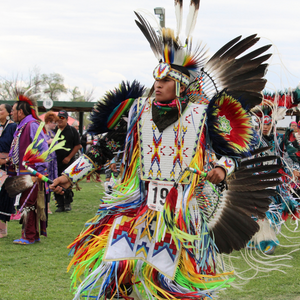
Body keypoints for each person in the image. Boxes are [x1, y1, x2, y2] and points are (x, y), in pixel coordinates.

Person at [51, 4, 276, 299]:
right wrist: (70, 175)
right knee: (117, 273)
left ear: (180, 84)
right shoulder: (136, 112)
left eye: (165, 80)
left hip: (180, 212)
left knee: (172, 285)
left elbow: (234, 151)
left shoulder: (203, 114)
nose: (157, 85)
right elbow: (106, 148)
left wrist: (222, 169)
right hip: (137, 206)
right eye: (156, 80)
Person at [0, 95, 49, 245]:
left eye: (13, 110)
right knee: (28, 202)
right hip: (24, 171)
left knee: (27, 202)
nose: (12, 113)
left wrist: (39, 171)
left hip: (32, 172)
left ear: (21, 112)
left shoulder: (32, 125)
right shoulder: (22, 126)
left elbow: (42, 147)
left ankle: (29, 236)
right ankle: (32, 235)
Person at [54, 110, 81, 212]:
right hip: (55, 162)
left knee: (67, 182)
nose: (59, 120)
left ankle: (67, 203)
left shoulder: (72, 130)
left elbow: (78, 145)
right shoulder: (54, 131)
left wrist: (69, 157)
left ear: (66, 119)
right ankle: (59, 204)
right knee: (56, 182)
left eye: (62, 118)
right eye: (58, 118)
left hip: (68, 161)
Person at [0, 104, 17, 238]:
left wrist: (6, 159)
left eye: (1, 110)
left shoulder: (12, 127)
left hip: (7, 167)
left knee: (4, 196)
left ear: (8, 113)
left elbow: (16, 146)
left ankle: (2, 229)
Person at [44, 111, 59, 214]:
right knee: (45, 183)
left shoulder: (53, 133)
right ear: (48, 121)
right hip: (45, 162)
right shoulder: (42, 132)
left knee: (50, 183)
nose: (55, 124)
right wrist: (48, 142)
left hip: (52, 161)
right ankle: (45, 207)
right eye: (54, 122)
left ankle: (47, 206)